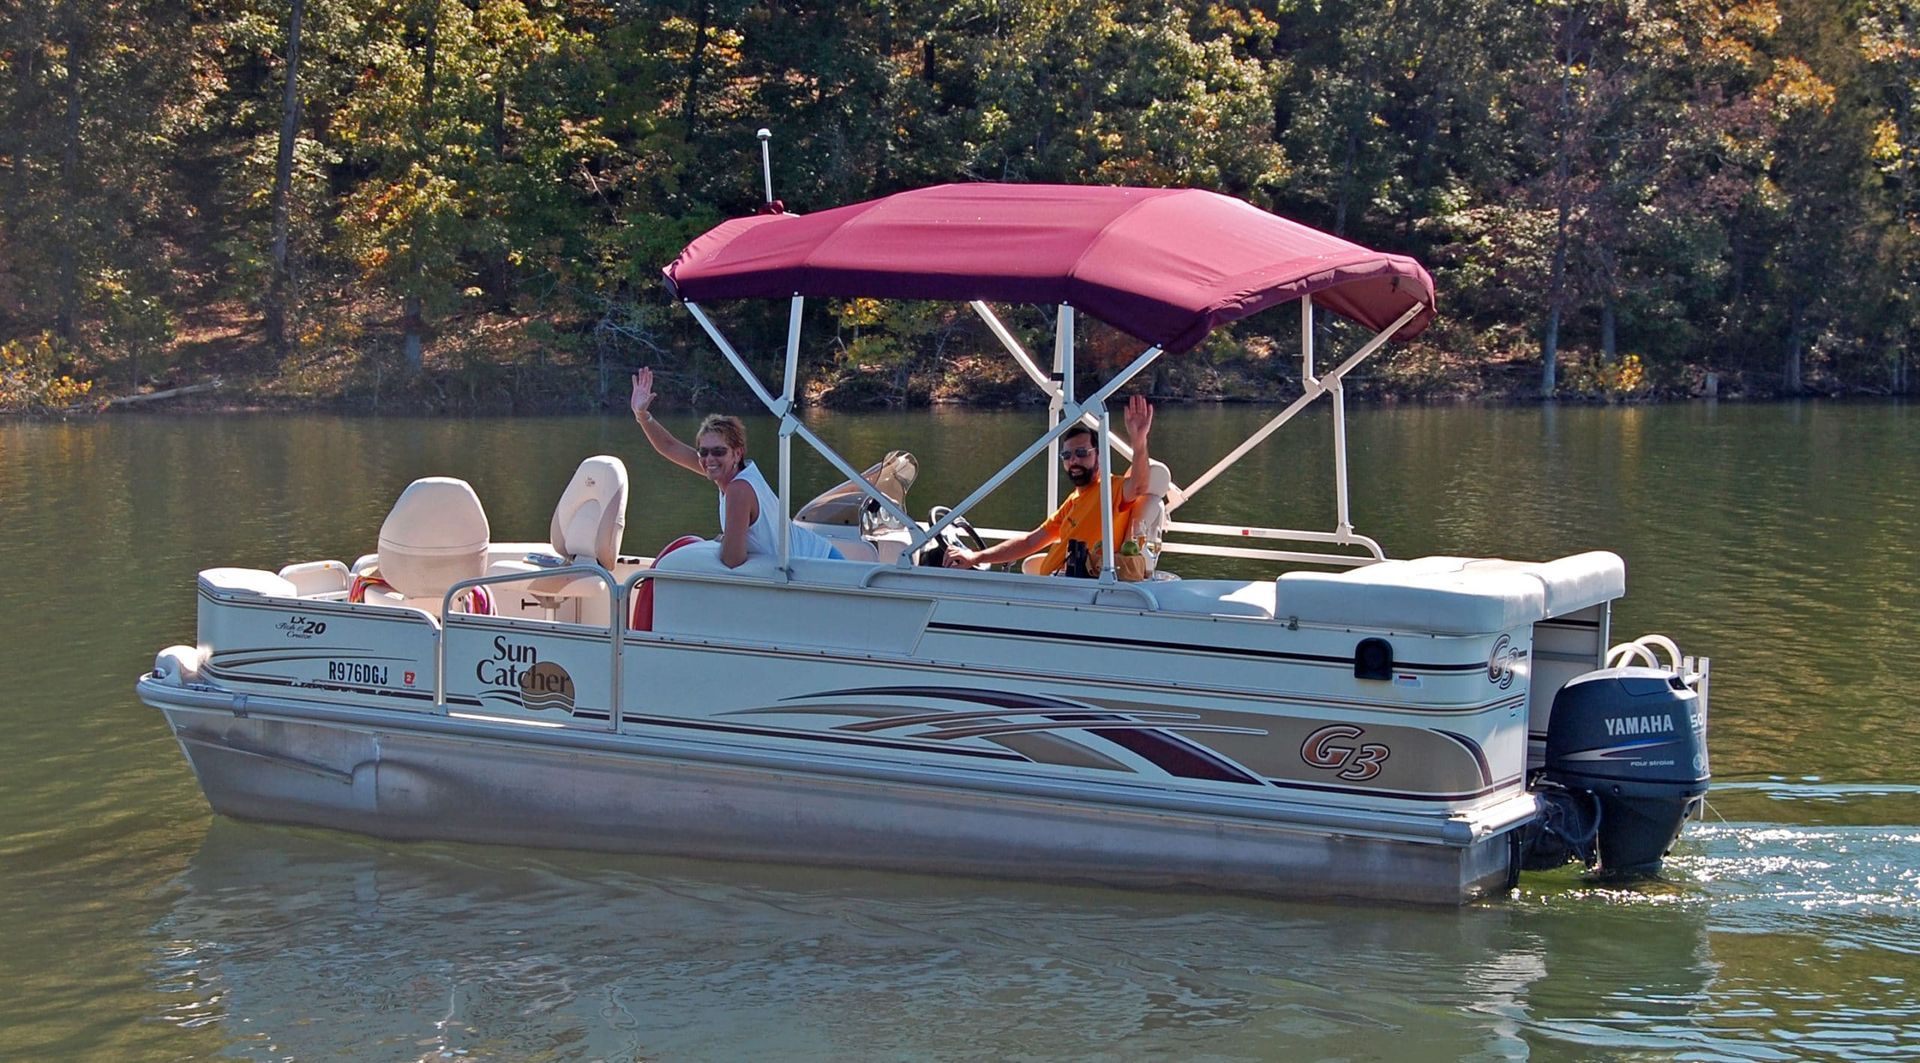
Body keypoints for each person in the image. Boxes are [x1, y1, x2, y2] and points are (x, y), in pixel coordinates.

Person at [629, 368, 842, 567]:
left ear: (737, 453)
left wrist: (719, 542)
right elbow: (670, 446)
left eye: (718, 451)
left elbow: (733, 560)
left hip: (822, 567)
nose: (709, 458)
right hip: (817, 563)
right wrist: (642, 415)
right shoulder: (728, 471)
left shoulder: (738, 490)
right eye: (703, 452)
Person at [944, 395, 1154, 576]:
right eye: (1067, 455)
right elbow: (1030, 542)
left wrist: (1139, 441)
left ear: (1099, 456)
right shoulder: (1074, 500)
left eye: (1081, 453)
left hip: (1067, 594)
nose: (1073, 461)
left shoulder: (1111, 489)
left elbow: (1138, 487)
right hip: (1050, 586)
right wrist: (976, 557)